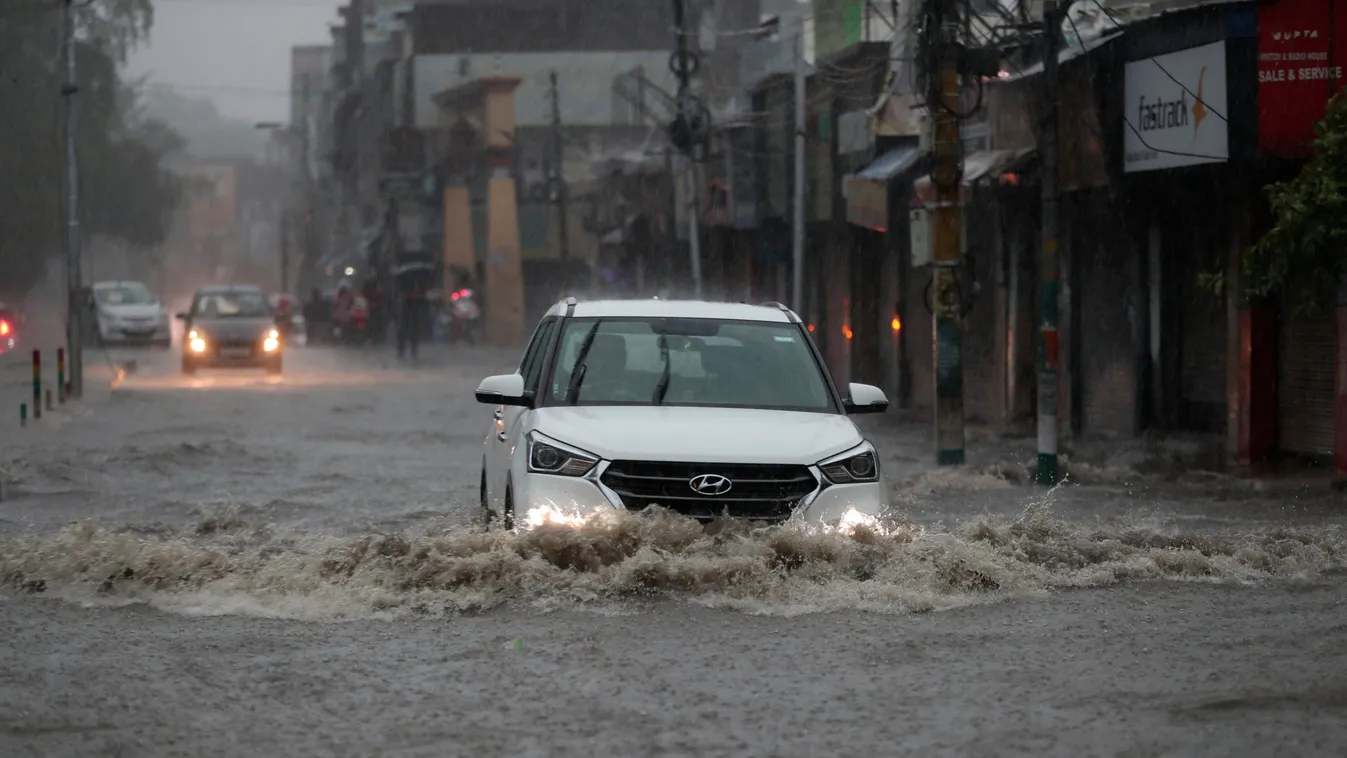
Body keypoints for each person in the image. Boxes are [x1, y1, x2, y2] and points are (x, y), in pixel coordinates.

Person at [396, 273, 427, 360]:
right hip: (407, 311)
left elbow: (423, 296)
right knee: (404, 330)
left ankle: (413, 351)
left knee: (414, 331)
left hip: (415, 312)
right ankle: (402, 351)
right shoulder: (404, 282)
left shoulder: (421, 283)